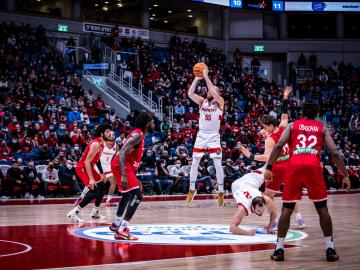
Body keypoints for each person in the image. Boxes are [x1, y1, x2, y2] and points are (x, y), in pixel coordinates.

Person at [265, 100, 351, 262]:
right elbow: (334, 152)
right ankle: (330, 249)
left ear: (302, 112)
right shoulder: (322, 128)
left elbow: (279, 146)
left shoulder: (292, 125)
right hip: (313, 166)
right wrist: (345, 175)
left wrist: (269, 167)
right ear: (317, 114)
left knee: (287, 208)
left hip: (294, 166)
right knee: (322, 208)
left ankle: (279, 250)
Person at [240, 86, 305, 229]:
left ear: (270, 126)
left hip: (277, 167)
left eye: (264, 126)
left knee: (268, 196)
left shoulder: (270, 140)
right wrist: (285, 97)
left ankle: (274, 222)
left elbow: (267, 158)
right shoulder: (283, 127)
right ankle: (300, 218)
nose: (263, 129)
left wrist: (250, 156)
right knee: (291, 192)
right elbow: (284, 114)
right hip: (290, 164)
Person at [109, 112, 155, 240]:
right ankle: (122, 230)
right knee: (138, 195)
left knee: (127, 194)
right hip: (121, 166)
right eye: (152, 122)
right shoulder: (137, 134)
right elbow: (122, 152)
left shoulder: (140, 135)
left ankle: (116, 224)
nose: (154, 124)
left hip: (122, 166)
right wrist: (124, 175)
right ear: (147, 123)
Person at [186, 68, 225, 207]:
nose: (209, 91)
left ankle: (221, 192)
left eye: (212, 90)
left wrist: (207, 77)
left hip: (214, 135)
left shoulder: (221, 102)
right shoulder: (202, 102)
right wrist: (197, 78)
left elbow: (213, 91)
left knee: (217, 164)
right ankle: (192, 189)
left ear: (217, 93)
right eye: (209, 90)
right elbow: (190, 93)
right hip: (202, 135)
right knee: (195, 161)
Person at [67, 124, 113, 223]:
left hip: (90, 167)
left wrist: (102, 173)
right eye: (107, 131)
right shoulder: (96, 144)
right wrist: (91, 179)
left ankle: (95, 212)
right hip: (82, 168)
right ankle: (74, 212)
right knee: (94, 191)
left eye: (110, 131)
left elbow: (97, 160)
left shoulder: (102, 144)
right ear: (102, 134)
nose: (110, 133)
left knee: (102, 187)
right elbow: (87, 162)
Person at [230, 167, 277, 235]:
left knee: (268, 167)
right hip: (237, 185)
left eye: (262, 210)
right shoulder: (243, 208)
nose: (261, 213)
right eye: (259, 211)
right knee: (268, 168)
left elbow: (273, 212)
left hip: (250, 179)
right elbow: (232, 228)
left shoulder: (266, 199)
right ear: (252, 206)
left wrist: (270, 228)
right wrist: (247, 232)